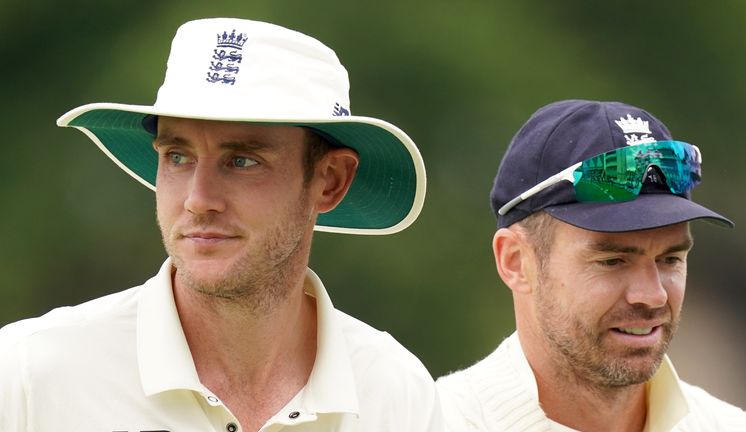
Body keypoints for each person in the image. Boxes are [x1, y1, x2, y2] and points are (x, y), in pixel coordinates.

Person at [0, 18, 442, 431]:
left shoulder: (397, 395)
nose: (198, 200)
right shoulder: (28, 375)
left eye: (242, 161)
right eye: (177, 156)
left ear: (329, 181)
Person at [436, 100, 746, 431]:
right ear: (516, 262)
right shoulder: (431, 421)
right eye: (612, 261)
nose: (652, 296)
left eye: (670, 259)